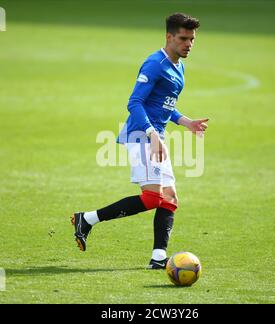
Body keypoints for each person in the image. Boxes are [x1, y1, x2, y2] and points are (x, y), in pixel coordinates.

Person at [71, 13, 209, 269]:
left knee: (169, 198)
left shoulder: (179, 66)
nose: (188, 44)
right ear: (169, 37)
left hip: (155, 136)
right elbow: (134, 102)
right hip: (142, 135)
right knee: (153, 197)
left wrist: (186, 122)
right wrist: (152, 134)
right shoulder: (155, 64)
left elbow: (165, 106)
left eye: (192, 39)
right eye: (183, 38)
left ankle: (158, 258)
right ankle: (87, 219)